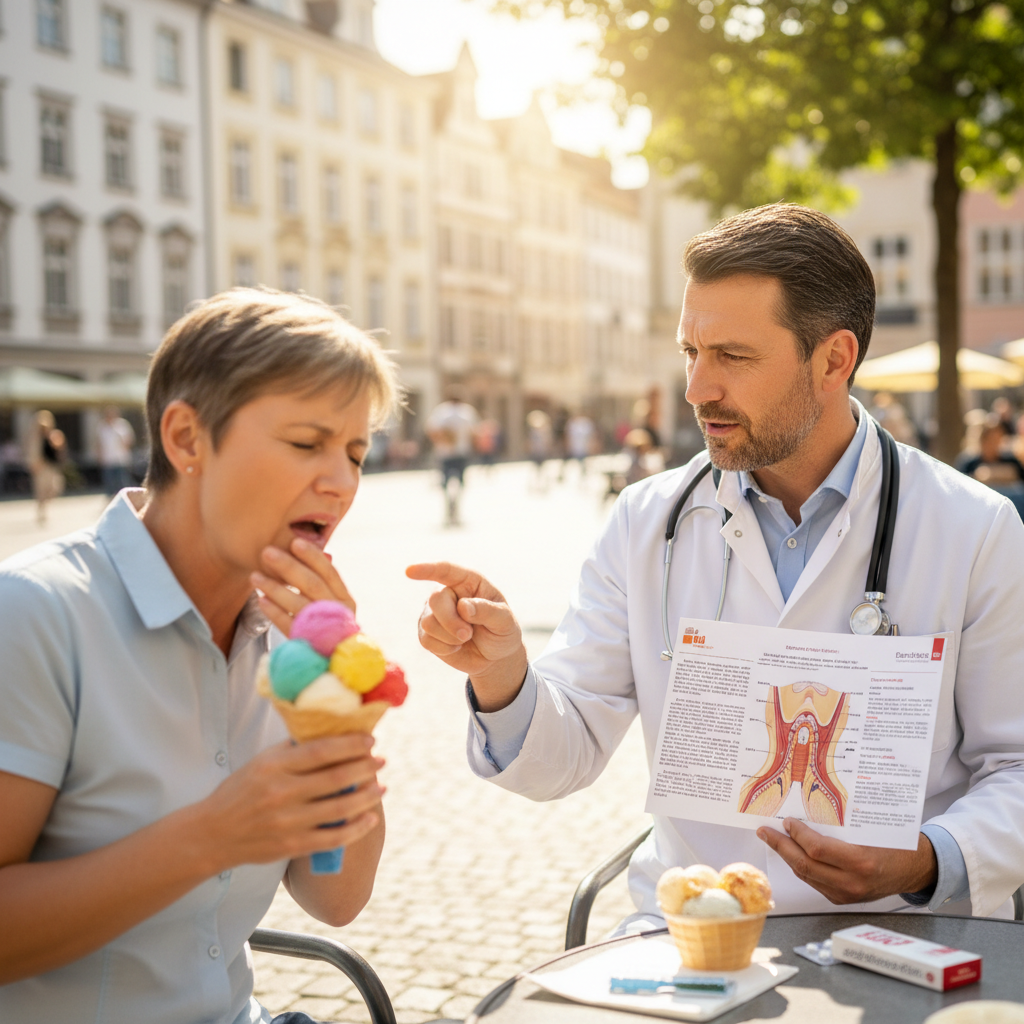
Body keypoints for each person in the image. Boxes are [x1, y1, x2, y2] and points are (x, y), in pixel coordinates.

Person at [408, 204, 1024, 926]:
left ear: (834, 360)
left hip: (898, 934)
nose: (697, 389)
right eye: (690, 354)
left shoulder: (974, 528)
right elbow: (561, 757)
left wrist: (927, 858)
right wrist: (503, 672)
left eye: (732, 356)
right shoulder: (647, 523)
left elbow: (1014, 766)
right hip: (690, 935)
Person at [0, 289, 399, 1023]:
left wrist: (341, 711)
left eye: (355, 452)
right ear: (186, 439)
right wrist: (214, 833)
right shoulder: (36, 614)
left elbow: (336, 898)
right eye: (307, 443)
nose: (341, 481)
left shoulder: (292, 640)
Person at [425, 386, 479, 527]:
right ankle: (456, 503)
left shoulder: (441, 411)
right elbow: (474, 432)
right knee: (461, 482)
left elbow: (431, 430)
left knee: (445, 482)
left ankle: (449, 502)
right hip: (462, 452)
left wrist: (441, 441)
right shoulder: (467, 412)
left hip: (444, 453)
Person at [26, 409, 66, 525]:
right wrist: (33, 464)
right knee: (41, 491)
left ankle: (44, 505)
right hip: (41, 466)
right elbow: (31, 452)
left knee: (55, 487)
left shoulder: (54, 435)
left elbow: (60, 449)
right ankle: (42, 511)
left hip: (52, 465)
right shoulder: (35, 437)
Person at [97, 405, 137, 495]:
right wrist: (99, 456)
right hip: (107, 459)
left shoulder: (122, 425)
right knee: (109, 483)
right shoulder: (101, 426)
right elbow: (99, 442)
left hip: (121, 459)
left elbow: (129, 440)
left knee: (122, 482)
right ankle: (111, 500)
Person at [564, 411, 596, 476]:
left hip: (585, 450)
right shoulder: (572, 423)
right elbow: (568, 437)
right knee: (575, 469)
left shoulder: (586, 423)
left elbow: (592, 437)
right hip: (574, 450)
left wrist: (592, 448)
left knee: (586, 468)